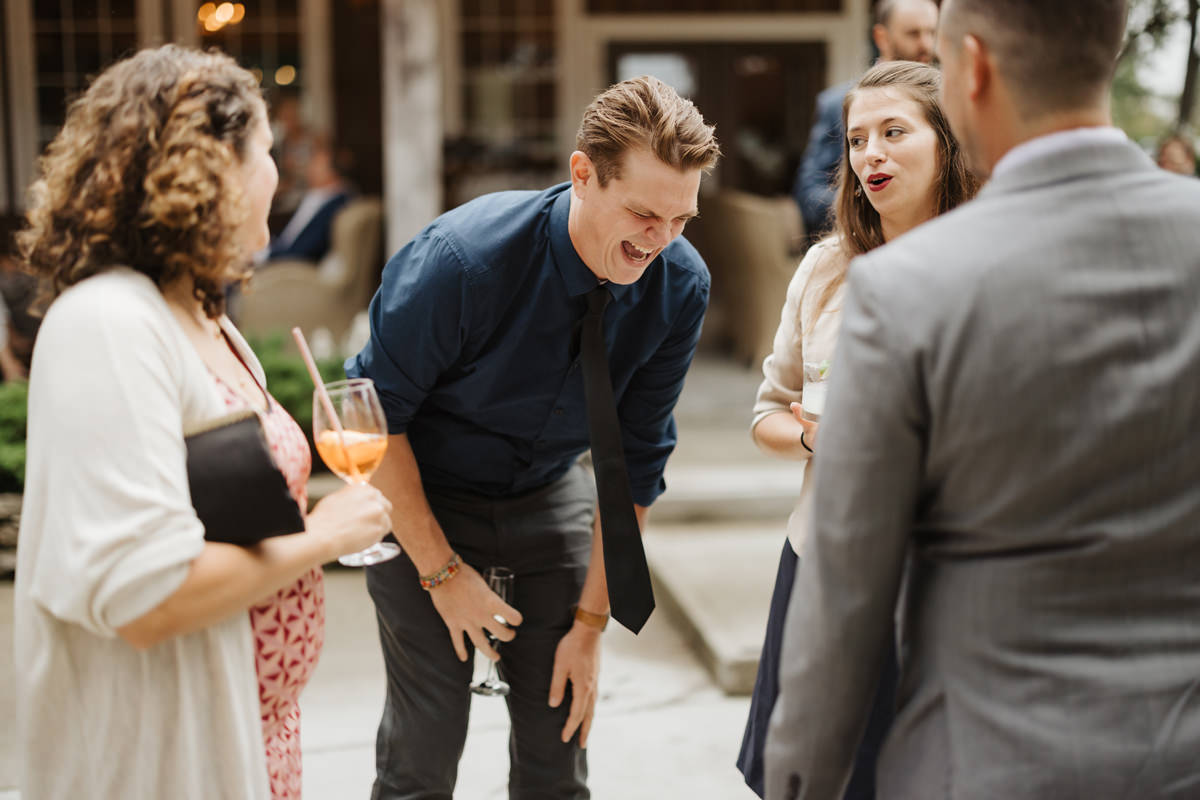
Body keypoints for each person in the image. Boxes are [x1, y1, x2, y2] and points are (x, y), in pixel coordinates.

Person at [765, 0, 1200, 797]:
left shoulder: (908, 287)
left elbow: (848, 591)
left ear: (972, 66)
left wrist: (799, 778)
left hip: (989, 763)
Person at [13, 45, 392, 800]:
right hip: (161, 758)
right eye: (266, 153)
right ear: (210, 168)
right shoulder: (108, 325)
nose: (278, 176)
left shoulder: (200, 313)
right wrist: (324, 536)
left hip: (252, 738)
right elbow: (144, 596)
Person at [346, 75, 720, 798]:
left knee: (559, 753)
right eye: (644, 213)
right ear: (582, 174)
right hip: (421, 493)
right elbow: (373, 417)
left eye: (681, 220)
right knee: (423, 752)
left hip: (550, 497)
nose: (659, 241)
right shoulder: (461, 262)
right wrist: (443, 574)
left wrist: (589, 626)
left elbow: (635, 467)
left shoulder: (681, 285)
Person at [737, 61, 977, 799]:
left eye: (893, 132)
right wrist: (815, 437)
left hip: (948, 578)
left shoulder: (990, 267)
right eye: (856, 139)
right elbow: (767, 411)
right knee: (813, 778)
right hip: (822, 561)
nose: (869, 154)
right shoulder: (824, 270)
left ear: (948, 144)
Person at [792, 0, 938, 238]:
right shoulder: (836, 104)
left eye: (932, 32)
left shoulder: (952, 99)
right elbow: (809, 194)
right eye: (913, 33)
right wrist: (880, 201)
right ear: (882, 37)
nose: (927, 44)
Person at [263, 135, 353, 263]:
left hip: (287, 264)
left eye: (316, 162)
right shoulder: (317, 195)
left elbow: (304, 250)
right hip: (278, 250)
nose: (309, 167)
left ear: (331, 171)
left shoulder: (336, 203)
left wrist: (266, 255)